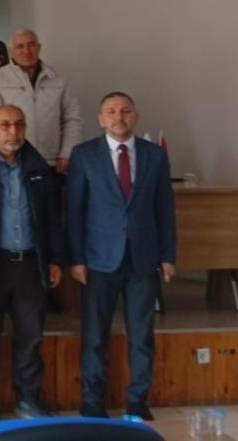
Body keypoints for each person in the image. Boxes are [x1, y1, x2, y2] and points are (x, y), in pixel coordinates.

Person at [67, 92, 177, 421]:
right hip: (99, 259)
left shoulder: (154, 155)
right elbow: (74, 210)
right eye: (111, 111)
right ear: (101, 119)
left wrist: (168, 255)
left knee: (141, 335)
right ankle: (92, 400)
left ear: (135, 116)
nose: (119, 116)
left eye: (125, 110)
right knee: (94, 334)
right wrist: (77, 258)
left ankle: (138, 401)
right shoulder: (84, 154)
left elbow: (165, 208)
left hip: (143, 258)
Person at [0, 105, 65, 424]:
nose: (12, 131)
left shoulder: (38, 166)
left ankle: (29, 399)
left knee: (31, 338)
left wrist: (55, 259)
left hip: (31, 263)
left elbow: (52, 218)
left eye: (18, 124)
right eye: (4, 125)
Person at [0, 29, 82, 174]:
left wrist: (67, 154)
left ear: (39, 47)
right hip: (13, 162)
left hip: (52, 162)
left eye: (31, 45)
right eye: (20, 46)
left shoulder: (59, 78)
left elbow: (72, 119)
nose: (26, 51)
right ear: (11, 51)